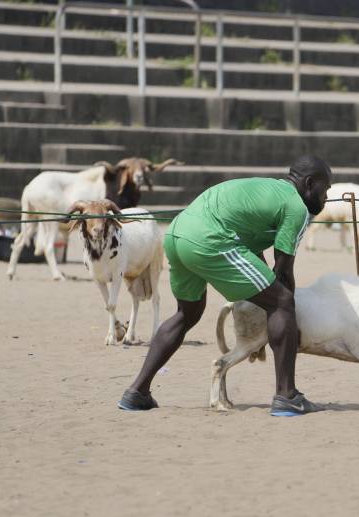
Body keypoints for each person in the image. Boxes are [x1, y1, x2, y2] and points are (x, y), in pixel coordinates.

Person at [118, 155, 332, 416]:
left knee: (187, 314)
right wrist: (283, 321)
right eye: (326, 189)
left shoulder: (266, 191)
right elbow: (283, 273)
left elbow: (258, 263)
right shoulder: (296, 208)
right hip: (208, 237)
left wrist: (267, 305)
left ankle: (137, 392)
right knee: (283, 301)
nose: (326, 197)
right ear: (310, 184)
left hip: (177, 233)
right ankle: (287, 396)